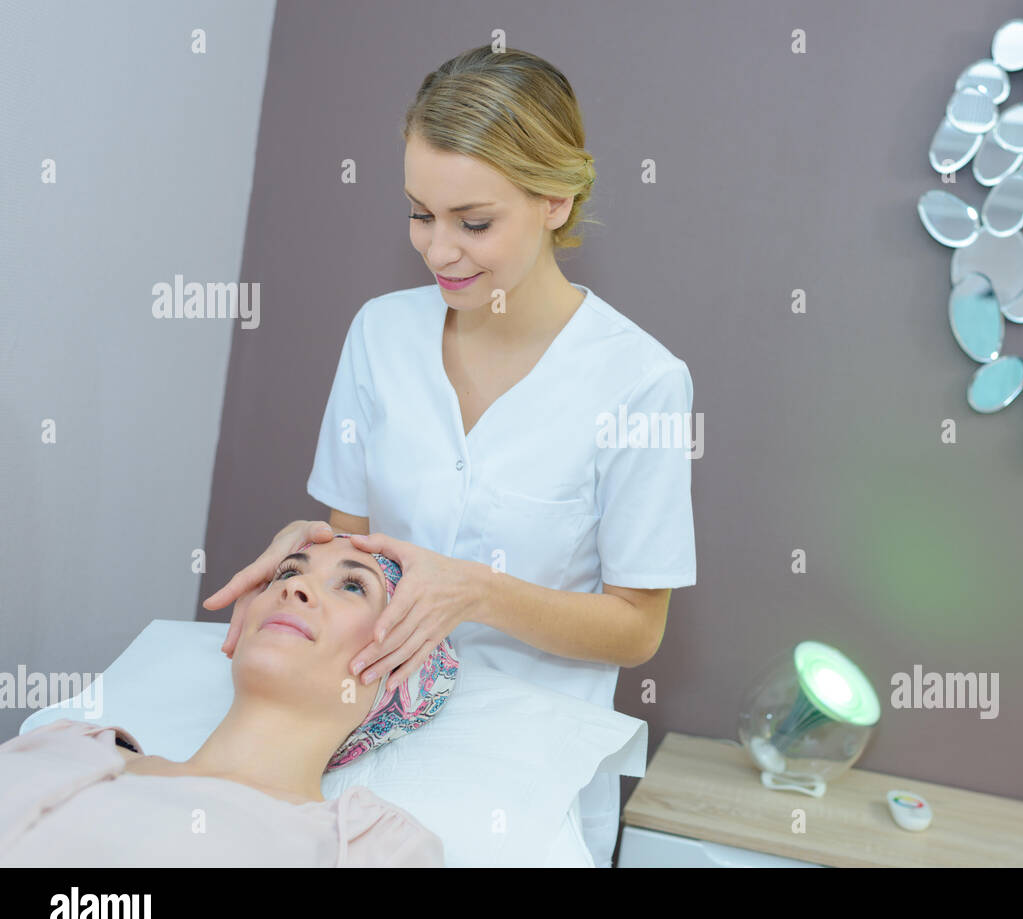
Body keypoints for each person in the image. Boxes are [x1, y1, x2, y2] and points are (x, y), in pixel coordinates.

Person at [203, 45, 697, 867]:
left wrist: (475, 593)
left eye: (474, 222)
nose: (438, 252)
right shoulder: (381, 333)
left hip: (526, 751)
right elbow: (351, 539)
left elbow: (638, 627)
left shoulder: (640, 381)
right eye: (418, 213)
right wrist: (312, 548)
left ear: (555, 199)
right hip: (367, 716)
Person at [1, 535, 452, 867]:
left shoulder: (367, 848)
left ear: (401, 675)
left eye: (353, 586)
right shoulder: (64, 741)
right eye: (290, 572)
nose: (293, 589)